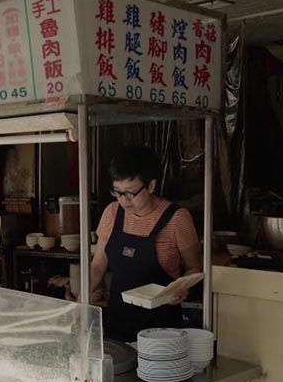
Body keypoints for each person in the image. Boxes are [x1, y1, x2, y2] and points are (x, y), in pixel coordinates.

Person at [80, 145, 202, 342]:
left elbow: (194, 267)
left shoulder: (177, 219)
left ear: (151, 186)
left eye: (130, 193)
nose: (123, 200)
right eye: (117, 192)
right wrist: (79, 306)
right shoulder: (112, 213)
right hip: (117, 326)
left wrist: (182, 289)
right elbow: (97, 266)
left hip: (162, 331)